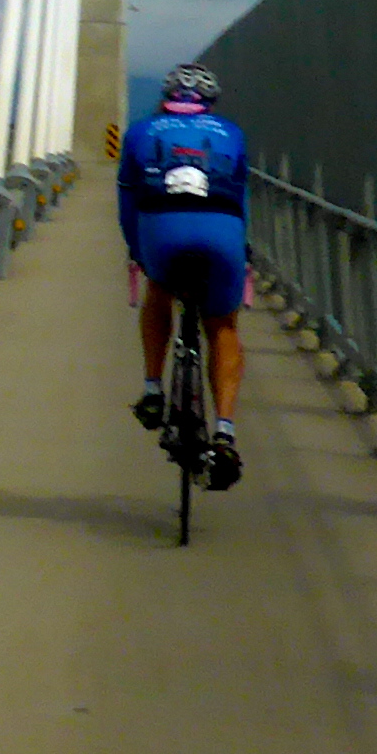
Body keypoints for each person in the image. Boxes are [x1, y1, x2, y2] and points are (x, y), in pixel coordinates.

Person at [121, 64, 249, 489]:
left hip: (162, 231)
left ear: (166, 98)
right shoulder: (231, 133)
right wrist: (241, 252)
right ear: (209, 103)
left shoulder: (141, 132)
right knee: (223, 326)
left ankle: (153, 390)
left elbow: (128, 204)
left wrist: (137, 251)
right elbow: (241, 201)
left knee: (158, 291)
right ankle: (224, 433)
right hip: (222, 233)